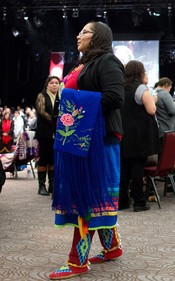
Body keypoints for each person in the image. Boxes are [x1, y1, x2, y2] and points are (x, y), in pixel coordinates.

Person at [49, 21, 125, 280]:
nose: (78, 36)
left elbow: (116, 97)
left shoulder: (108, 62)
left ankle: (77, 261)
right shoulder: (83, 64)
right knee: (95, 195)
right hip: (83, 139)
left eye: (84, 32)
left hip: (99, 140)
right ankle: (112, 247)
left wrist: (77, 109)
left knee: (87, 198)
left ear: (98, 37)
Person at [118, 60, 159, 212]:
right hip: (139, 135)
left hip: (123, 133)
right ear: (139, 72)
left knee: (124, 170)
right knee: (137, 169)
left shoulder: (120, 87)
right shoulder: (141, 88)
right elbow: (151, 110)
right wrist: (154, 99)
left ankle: (122, 201)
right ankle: (139, 202)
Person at [35, 76, 60, 196]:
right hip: (44, 132)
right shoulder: (42, 95)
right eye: (52, 83)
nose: (55, 85)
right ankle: (41, 185)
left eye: (57, 83)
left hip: (57, 133)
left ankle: (52, 184)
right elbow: (41, 111)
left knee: (53, 159)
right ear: (47, 85)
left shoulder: (60, 97)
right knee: (44, 159)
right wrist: (56, 120)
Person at [154, 77, 175, 145]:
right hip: (167, 130)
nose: (169, 90)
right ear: (166, 85)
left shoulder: (153, 94)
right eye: (170, 88)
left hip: (159, 130)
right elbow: (173, 111)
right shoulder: (165, 94)